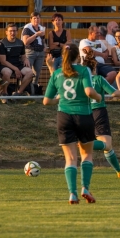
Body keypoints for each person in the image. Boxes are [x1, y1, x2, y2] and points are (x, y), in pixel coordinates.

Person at [43, 44, 103, 204]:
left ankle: (72, 193)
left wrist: (58, 99)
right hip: (83, 115)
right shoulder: (84, 71)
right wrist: (98, 97)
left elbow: (46, 101)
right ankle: (85, 188)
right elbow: (89, 91)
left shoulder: (56, 74)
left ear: (63, 57)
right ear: (78, 56)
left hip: (64, 116)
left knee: (70, 159)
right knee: (87, 155)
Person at [81, 47, 120, 178]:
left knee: (106, 147)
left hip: (83, 113)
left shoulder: (80, 81)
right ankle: (80, 143)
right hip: (99, 113)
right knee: (106, 145)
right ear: (94, 67)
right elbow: (113, 92)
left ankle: (119, 170)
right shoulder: (98, 79)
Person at [0, 23, 34, 96]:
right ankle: (4, 93)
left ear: (17, 32)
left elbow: (23, 56)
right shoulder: (1, 44)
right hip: (5, 65)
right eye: (10, 31)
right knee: (7, 72)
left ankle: (18, 92)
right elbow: (3, 61)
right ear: (6, 32)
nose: (12, 33)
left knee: (30, 72)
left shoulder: (20, 42)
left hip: (17, 64)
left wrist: (25, 59)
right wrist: (16, 69)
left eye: (14, 31)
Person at [21, 12, 47, 91]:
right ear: (31, 19)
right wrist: (36, 34)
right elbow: (26, 42)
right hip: (30, 51)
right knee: (27, 71)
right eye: (34, 18)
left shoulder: (41, 28)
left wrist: (45, 46)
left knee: (37, 73)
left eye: (38, 18)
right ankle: (24, 89)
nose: (36, 20)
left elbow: (43, 39)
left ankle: (33, 90)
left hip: (40, 52)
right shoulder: (27, 28)